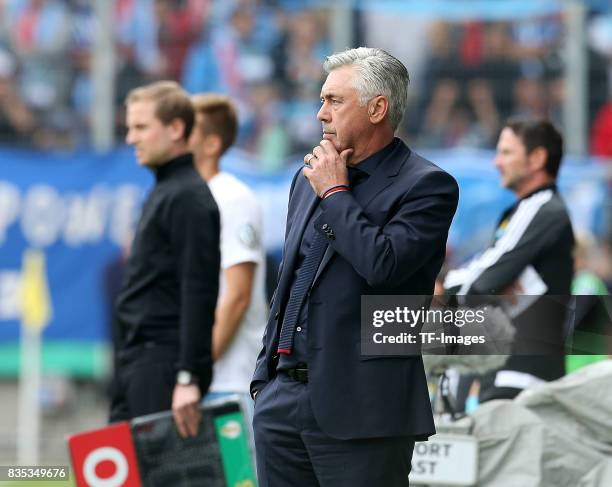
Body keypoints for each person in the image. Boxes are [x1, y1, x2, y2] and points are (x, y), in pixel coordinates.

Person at [251, 47, 459, 487]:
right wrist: (264, 380)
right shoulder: (308, 177)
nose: (321, 113)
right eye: (322, 100)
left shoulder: (427, 186)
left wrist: (336, 195)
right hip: (281, 402)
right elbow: (291, 282)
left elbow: (382, 266)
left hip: (364, 412)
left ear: (377, 108)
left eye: (335, 101)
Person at [109, 81, 221, 439]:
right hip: (138, 361)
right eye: (129, 128)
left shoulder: (188, 196)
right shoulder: (166, 190)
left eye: (141, 127)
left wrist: (188, 375)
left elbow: (198, 290)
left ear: (175, 129)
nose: (130, 138)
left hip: (163, 367)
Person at [444, 119, 575, 401]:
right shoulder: (524, 211)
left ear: (538, 158)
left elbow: (482, 283)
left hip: (522, 376)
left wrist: (445, 286)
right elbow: (484, 281)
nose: (497, 163)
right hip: (508, 372)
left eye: (506, 152)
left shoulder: (543, 208)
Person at [189, 93, 267, 415]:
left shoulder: (232, 199)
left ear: (211, 144)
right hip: (200, 385)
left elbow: (237, 297)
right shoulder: (189, 199)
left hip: (228, 385)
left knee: (239, 469)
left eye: (185, 130)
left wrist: (195, 373)